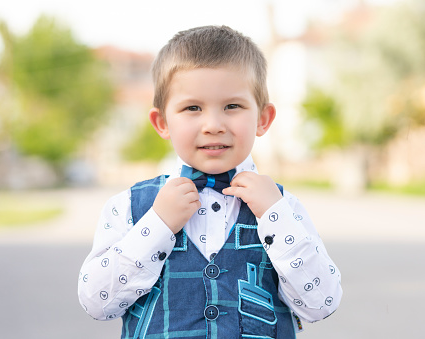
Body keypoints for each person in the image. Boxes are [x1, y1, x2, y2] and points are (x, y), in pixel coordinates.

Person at [78, 25, 342, 339]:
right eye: (192, 108)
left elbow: (322, 304)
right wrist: (157, 226)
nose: (213, 125)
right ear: (162, 123)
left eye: (232, 106)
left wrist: (276, 217)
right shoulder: (130, 208)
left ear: (262, 119)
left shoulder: (283, 208)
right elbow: (96, 303)